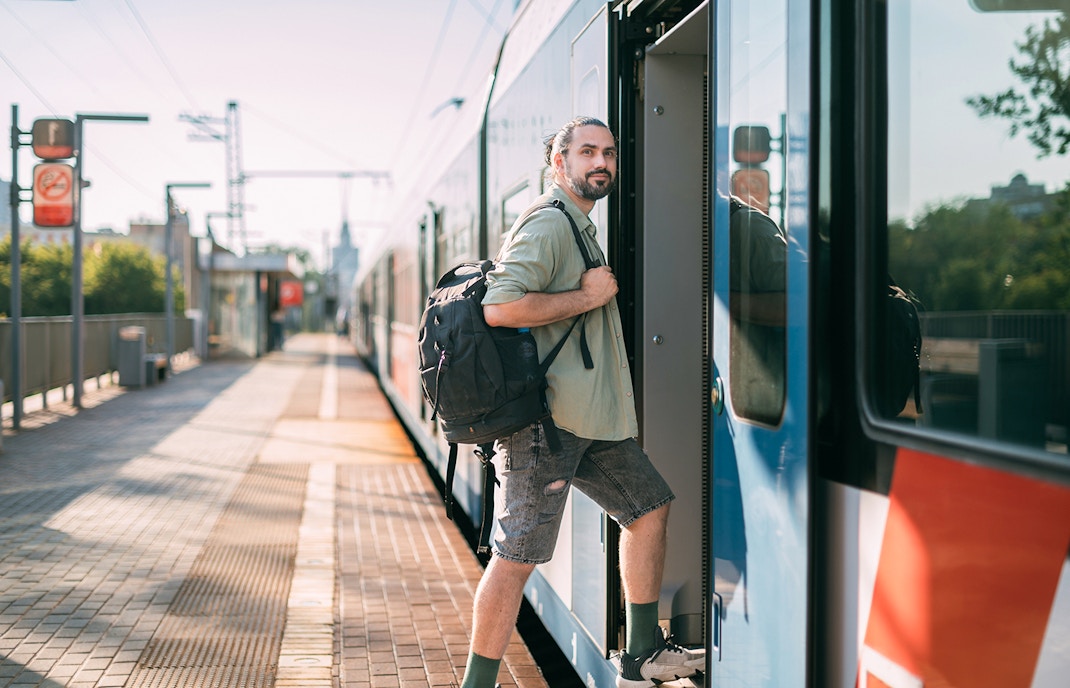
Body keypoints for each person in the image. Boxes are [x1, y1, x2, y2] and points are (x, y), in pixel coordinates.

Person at [460, 116, 705, 688]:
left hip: (588, 418)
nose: (602, 163)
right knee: (517, 556)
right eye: (588, 152)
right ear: (559, 162)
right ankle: (477, 683)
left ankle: (643, 653)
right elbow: (500, 308)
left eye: (610, 154)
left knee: (647, 509)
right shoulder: (548, 225)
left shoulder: (579, 223)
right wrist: (584, 296)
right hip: (547, 424)